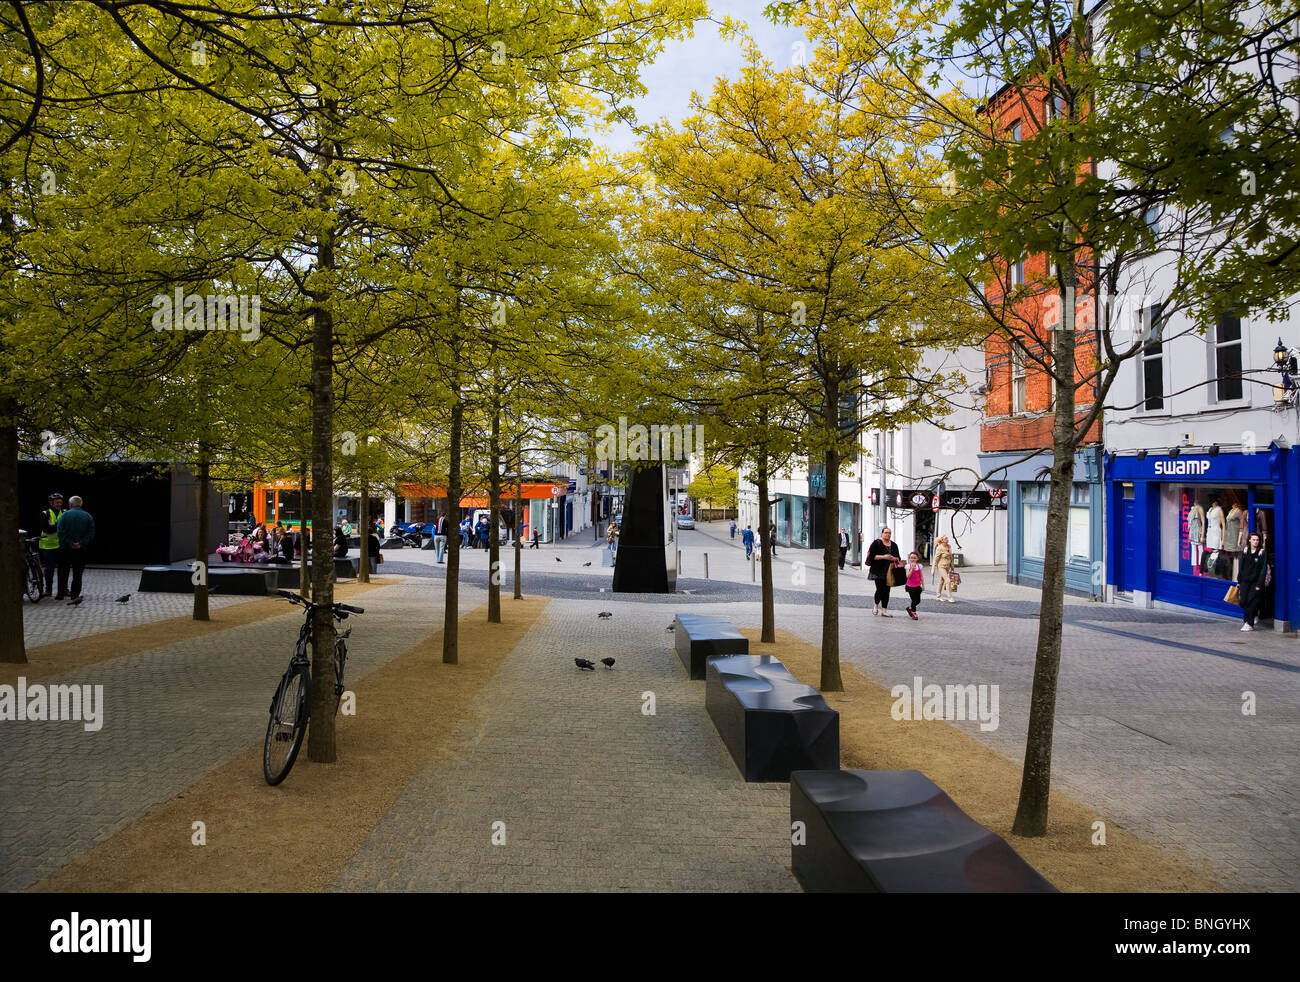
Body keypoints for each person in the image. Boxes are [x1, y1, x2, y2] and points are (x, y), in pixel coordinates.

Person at [55, 495, 95, 601]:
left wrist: (70, 543)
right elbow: (91, 533)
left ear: (70, 504)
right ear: (81, 504)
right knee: (78, 573)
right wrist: (80, 543)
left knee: (63, 571)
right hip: (81, 550)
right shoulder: (88, 516)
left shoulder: (64, 516)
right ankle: (75, 594)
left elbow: (60, 532)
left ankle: (61, 593)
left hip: (65, 548)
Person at [866, 527, 903, 617]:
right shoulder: (877, 543)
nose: (888, 534)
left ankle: (884, 610)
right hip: (878, 570)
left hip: (889, 571)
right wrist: (884, 557)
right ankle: (876, 606)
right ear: (882, 534)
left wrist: (894, 558)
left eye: (889, 533)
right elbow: (872, 557)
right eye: (886, 532)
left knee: (887, 591)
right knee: (880, 589)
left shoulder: (894, 545)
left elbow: (898, 558)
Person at [1236, 532, 1270, 632]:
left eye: (1257, 540)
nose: (1256, 542)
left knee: (1252, 602)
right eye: (1254, 540)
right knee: (1243, 602)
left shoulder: (1262, 553)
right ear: (1249, 540)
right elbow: (1241, 567)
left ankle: (1248, 622)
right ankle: (1254, 615)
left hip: (1255, 582)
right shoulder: (1245, 552)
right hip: (1245, 581)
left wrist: (1259, 584)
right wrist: (1239, 581)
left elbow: (1263, 569)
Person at [37, 492, 64, 597]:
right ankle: (48, 590)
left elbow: (66, 527)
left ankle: (63, 590)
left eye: (60, 502)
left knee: (63, 569)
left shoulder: (65, 512)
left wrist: (54, 525)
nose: (59, 504)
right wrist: (59, 525)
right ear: (51, 503)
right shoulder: (45, 513)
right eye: (57, 502)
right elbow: (47, 529)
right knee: (49, 570)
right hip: (48, 546)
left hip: (61, 545)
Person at [932, 535, 955, 603]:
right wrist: (933, 568)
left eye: (947, 538)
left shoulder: (949, 546)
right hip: (941, 566)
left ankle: (938, 596)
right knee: (948, 580)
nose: (947, 539)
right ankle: (949, 597)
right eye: (946, 538)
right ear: (942, 540)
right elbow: (936, 559)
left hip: (947, 566)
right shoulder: (939, 548)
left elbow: (951, 557)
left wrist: (952, 566)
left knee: (942, 580)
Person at [903, 551, 925, 620]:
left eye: (914, 558)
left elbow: (921, 576)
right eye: (911, 558)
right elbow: (908, 576)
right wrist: (912, 569)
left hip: (918, 586)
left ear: (917, 559)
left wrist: (923, 585)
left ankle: (910, 608)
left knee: (918, 600)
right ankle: (914, 613)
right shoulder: (908, 566)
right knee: (914, 600)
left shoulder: (919, 566)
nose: (913, 559)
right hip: (910, 586)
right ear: (909, 559)